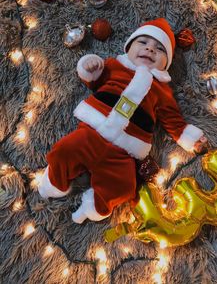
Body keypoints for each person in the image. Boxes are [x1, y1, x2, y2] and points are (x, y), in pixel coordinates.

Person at [38, 18, 208, 224]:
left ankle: (95, 205)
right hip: (92, 132)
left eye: (159, 49)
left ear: (167, 63)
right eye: (143, 42)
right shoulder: (115, 66)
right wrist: (90, 67)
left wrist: (189, 138)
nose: (150, 49)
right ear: (129, 47)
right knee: (63, 151)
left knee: (125, 186)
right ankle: (54, 182)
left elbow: (173, 120)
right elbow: (94, 80)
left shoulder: (162, 91)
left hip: (124, 150)